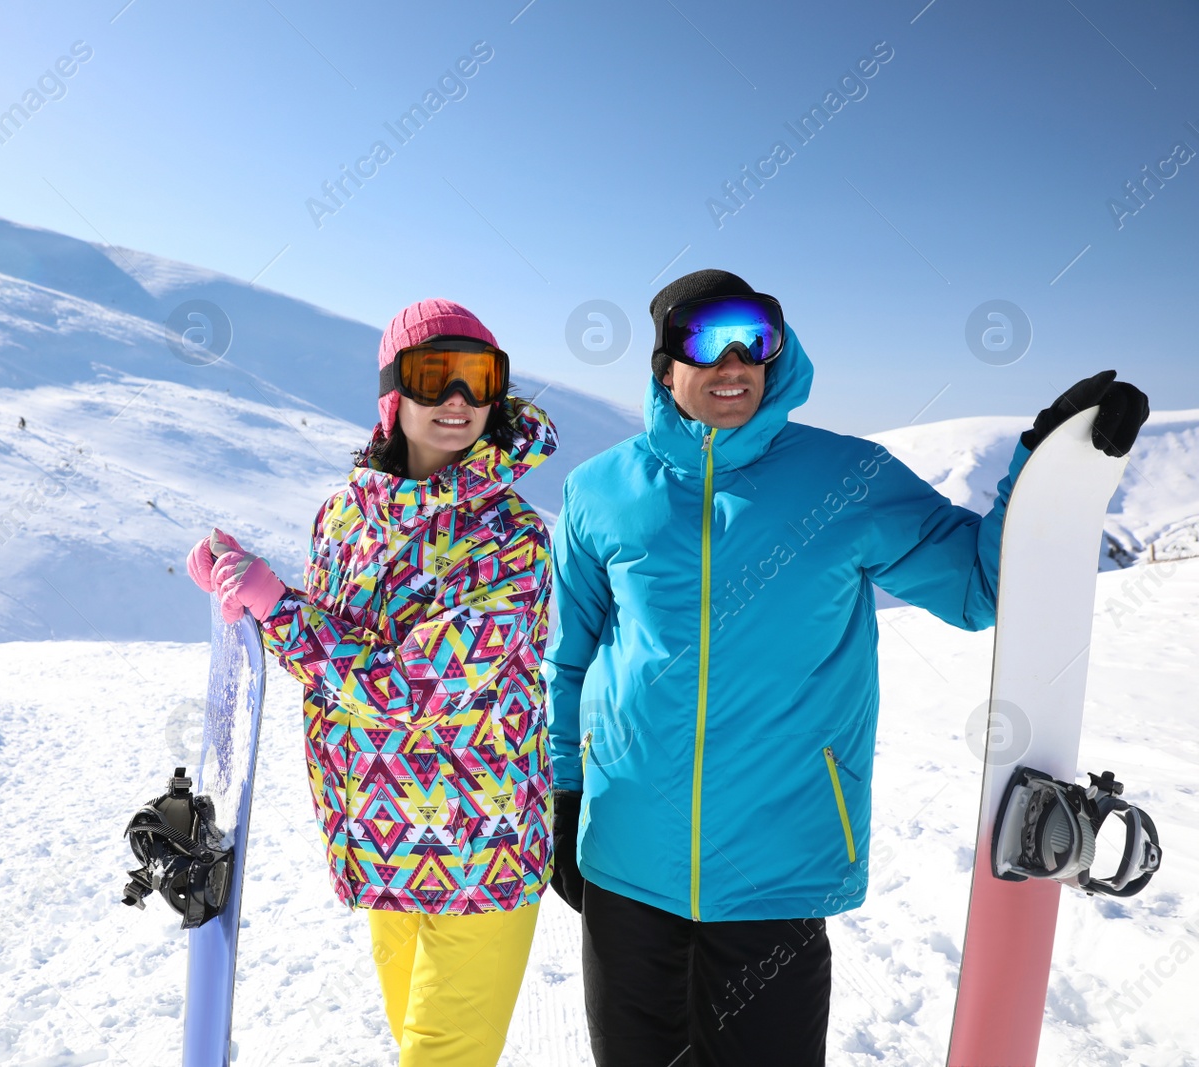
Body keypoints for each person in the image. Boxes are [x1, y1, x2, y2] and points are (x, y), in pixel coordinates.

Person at [543, 269, 1148, 1066]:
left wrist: (1039, 472)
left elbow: (975, 588)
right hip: (625, 864)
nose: (733, 361)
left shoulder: (846, 480)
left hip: (777, 869)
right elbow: (569, 656)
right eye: (705, 338)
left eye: (754, 339)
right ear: (663, 363)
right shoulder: (598, 492)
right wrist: (563, 795)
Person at [185, 298, 560, 1067]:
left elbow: (412, 690)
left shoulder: (510, 537)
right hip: (383, 845)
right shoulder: (345, 518)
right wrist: (243, 599)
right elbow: (327, 664)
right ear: (393, 393)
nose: (457, 401)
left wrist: (280, 607)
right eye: (435, 376)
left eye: (477, 378)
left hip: (480, 855)